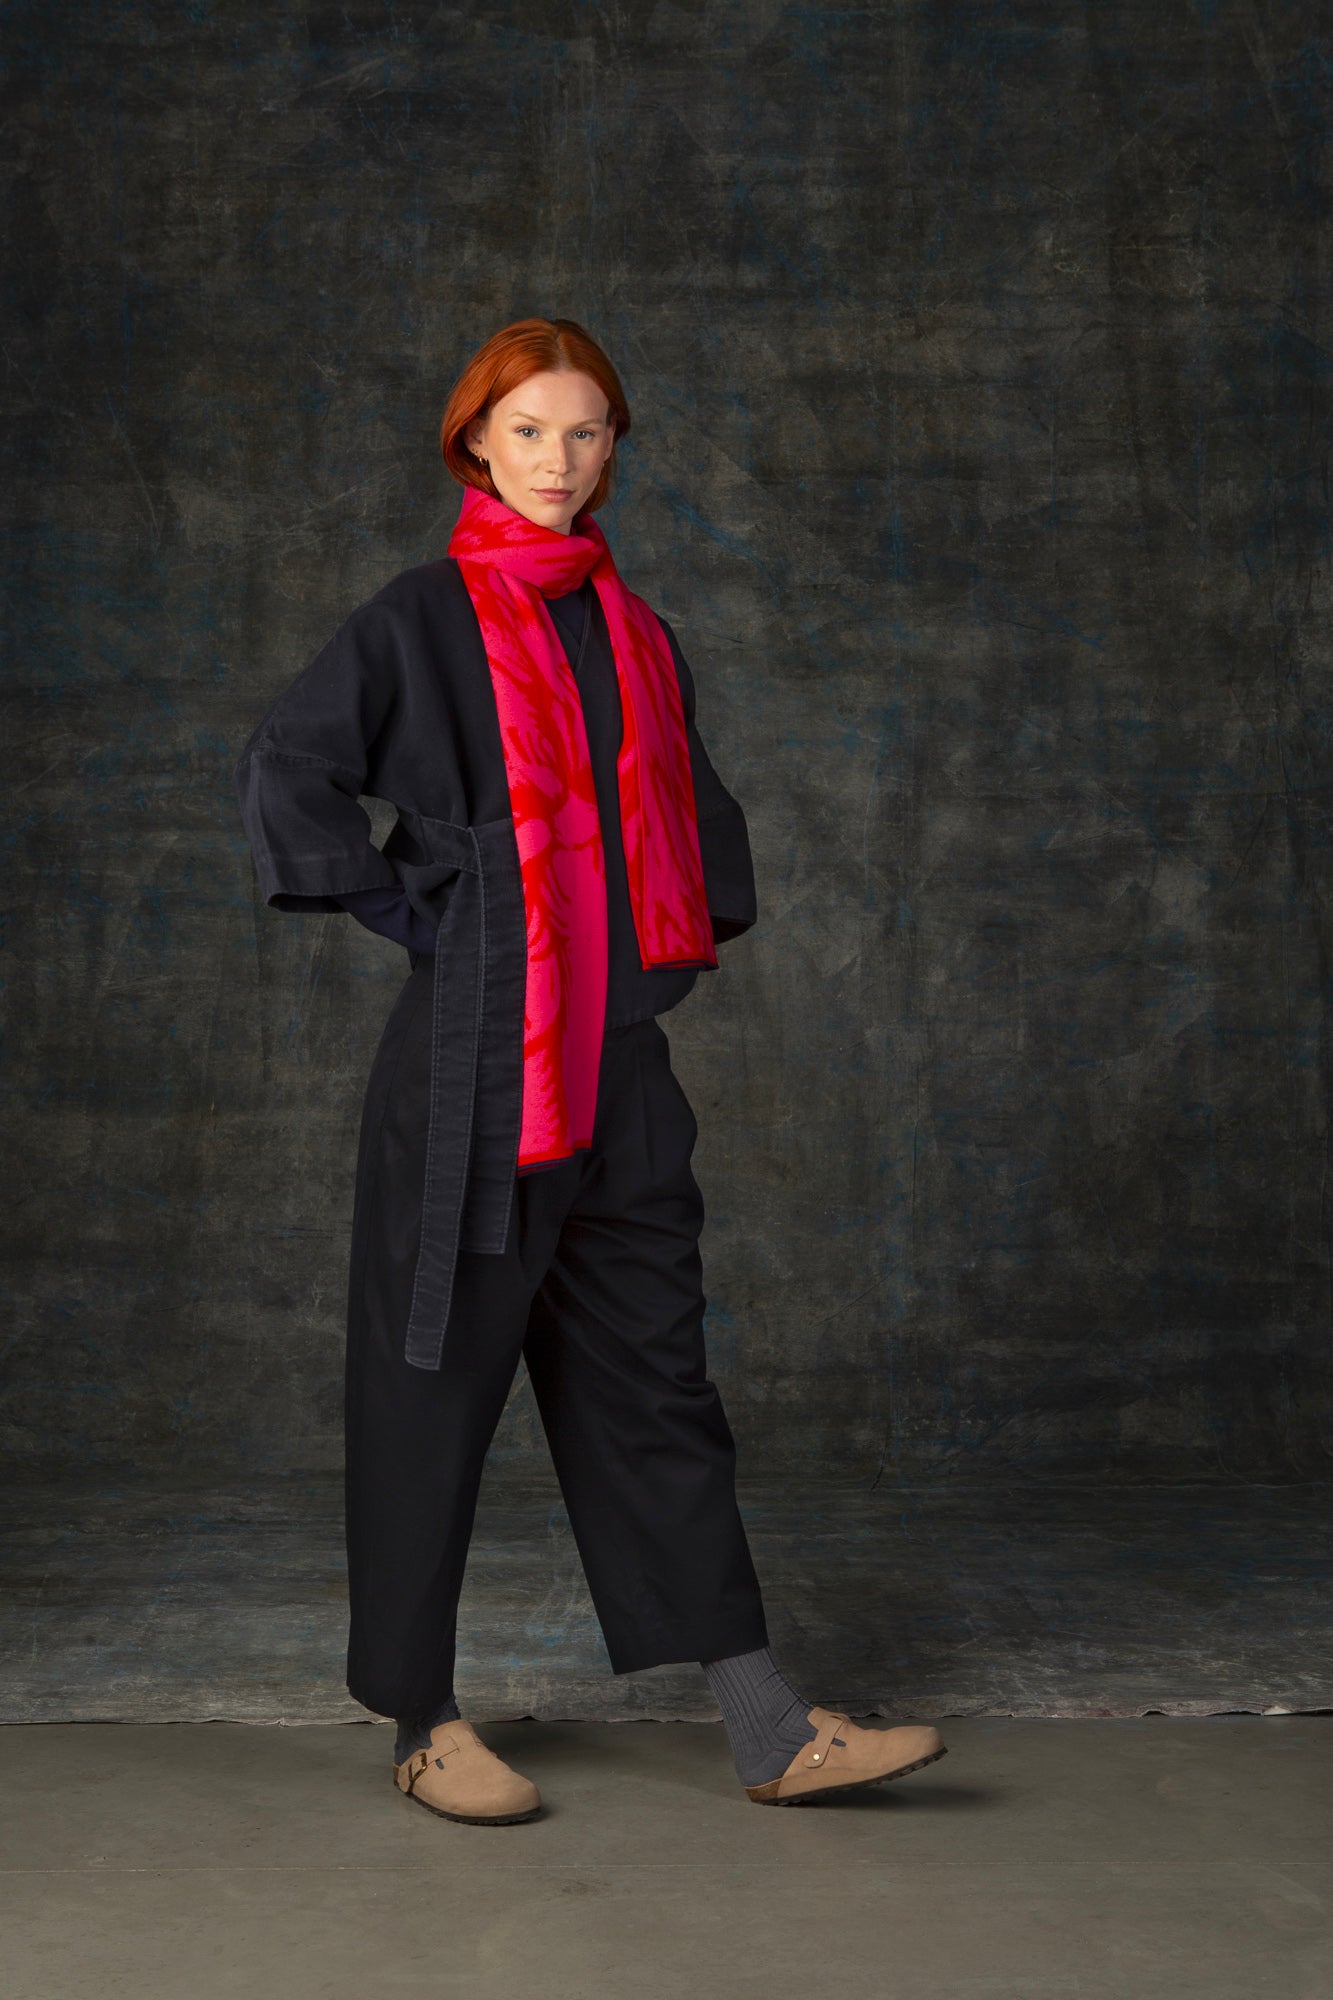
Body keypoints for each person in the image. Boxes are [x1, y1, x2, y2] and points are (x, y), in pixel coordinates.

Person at [234, 315, 947, 1822]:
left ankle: (765, 1725)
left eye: (589, 431)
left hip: (616, 1065)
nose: (561, 459)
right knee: (433, 1387)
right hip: (475, 1067)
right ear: (474, 442)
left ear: (615, 445)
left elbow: (686, 814)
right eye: (531, 430)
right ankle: (425, 1722)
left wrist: (650, 948)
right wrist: (411, 905)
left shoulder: (638, 631)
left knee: (654, 1383)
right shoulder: (418, 620)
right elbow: (291, 766)